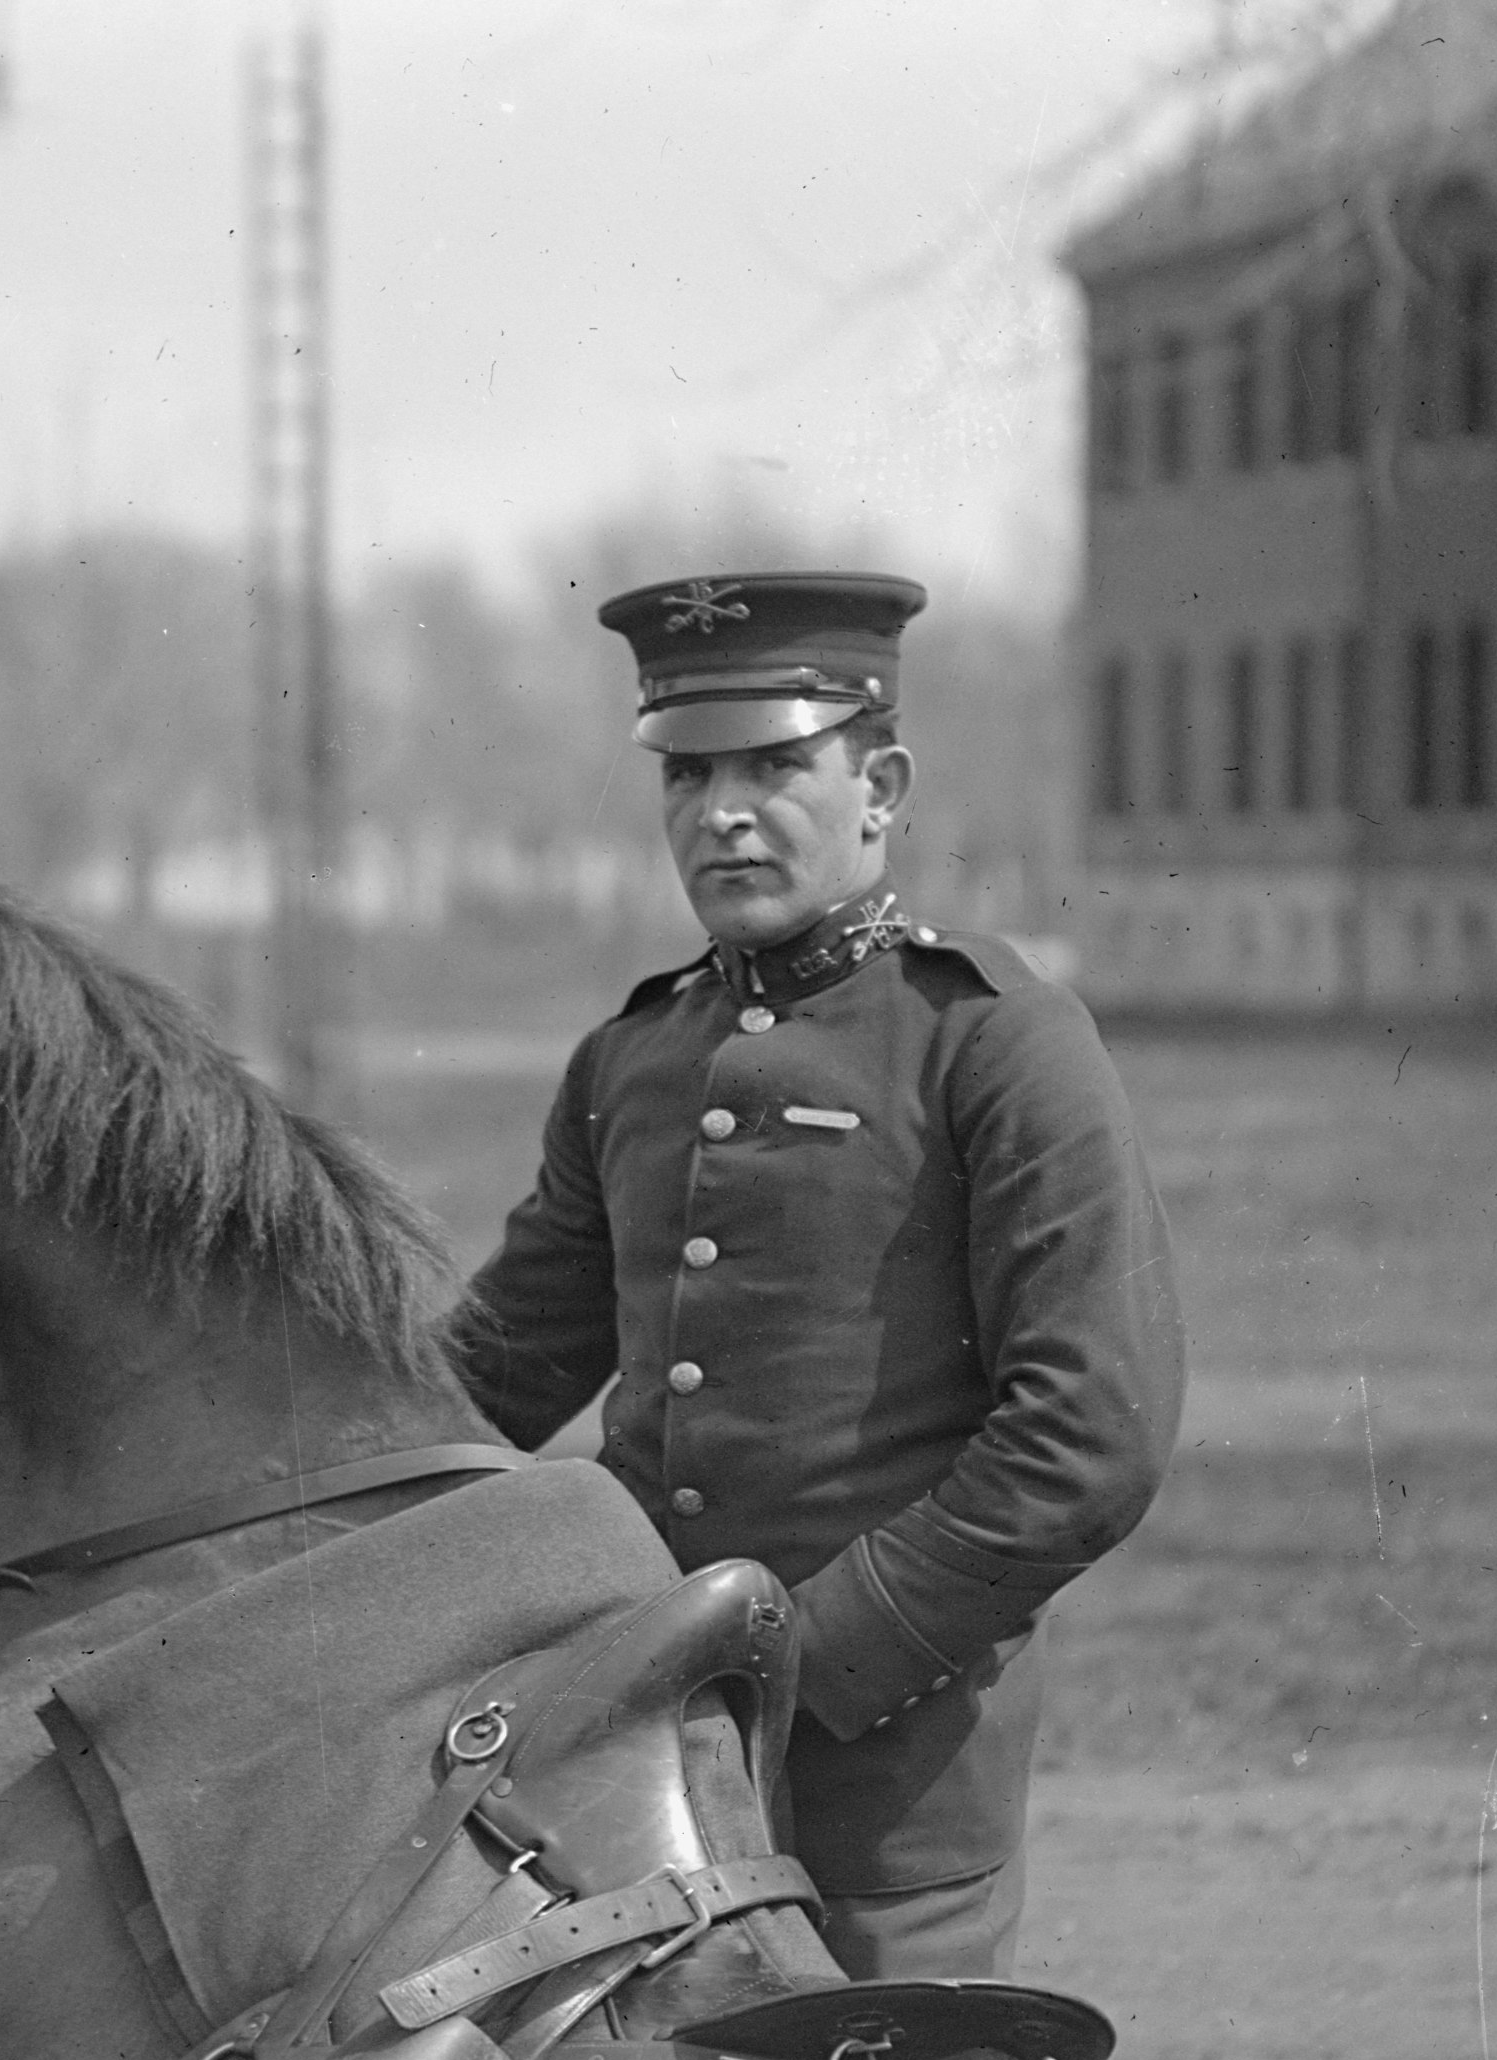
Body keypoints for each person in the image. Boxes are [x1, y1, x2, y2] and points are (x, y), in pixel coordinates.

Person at [441, 570, 1182, 1983]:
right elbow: (491, 1375)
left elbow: (1095, 1435)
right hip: (640, 1768)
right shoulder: (634, 1061)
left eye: (777, 764)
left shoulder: (998, 1043)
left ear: (880, 785)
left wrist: (818, 1658)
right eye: (689, 771)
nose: (723, 810)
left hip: (890, 1771)